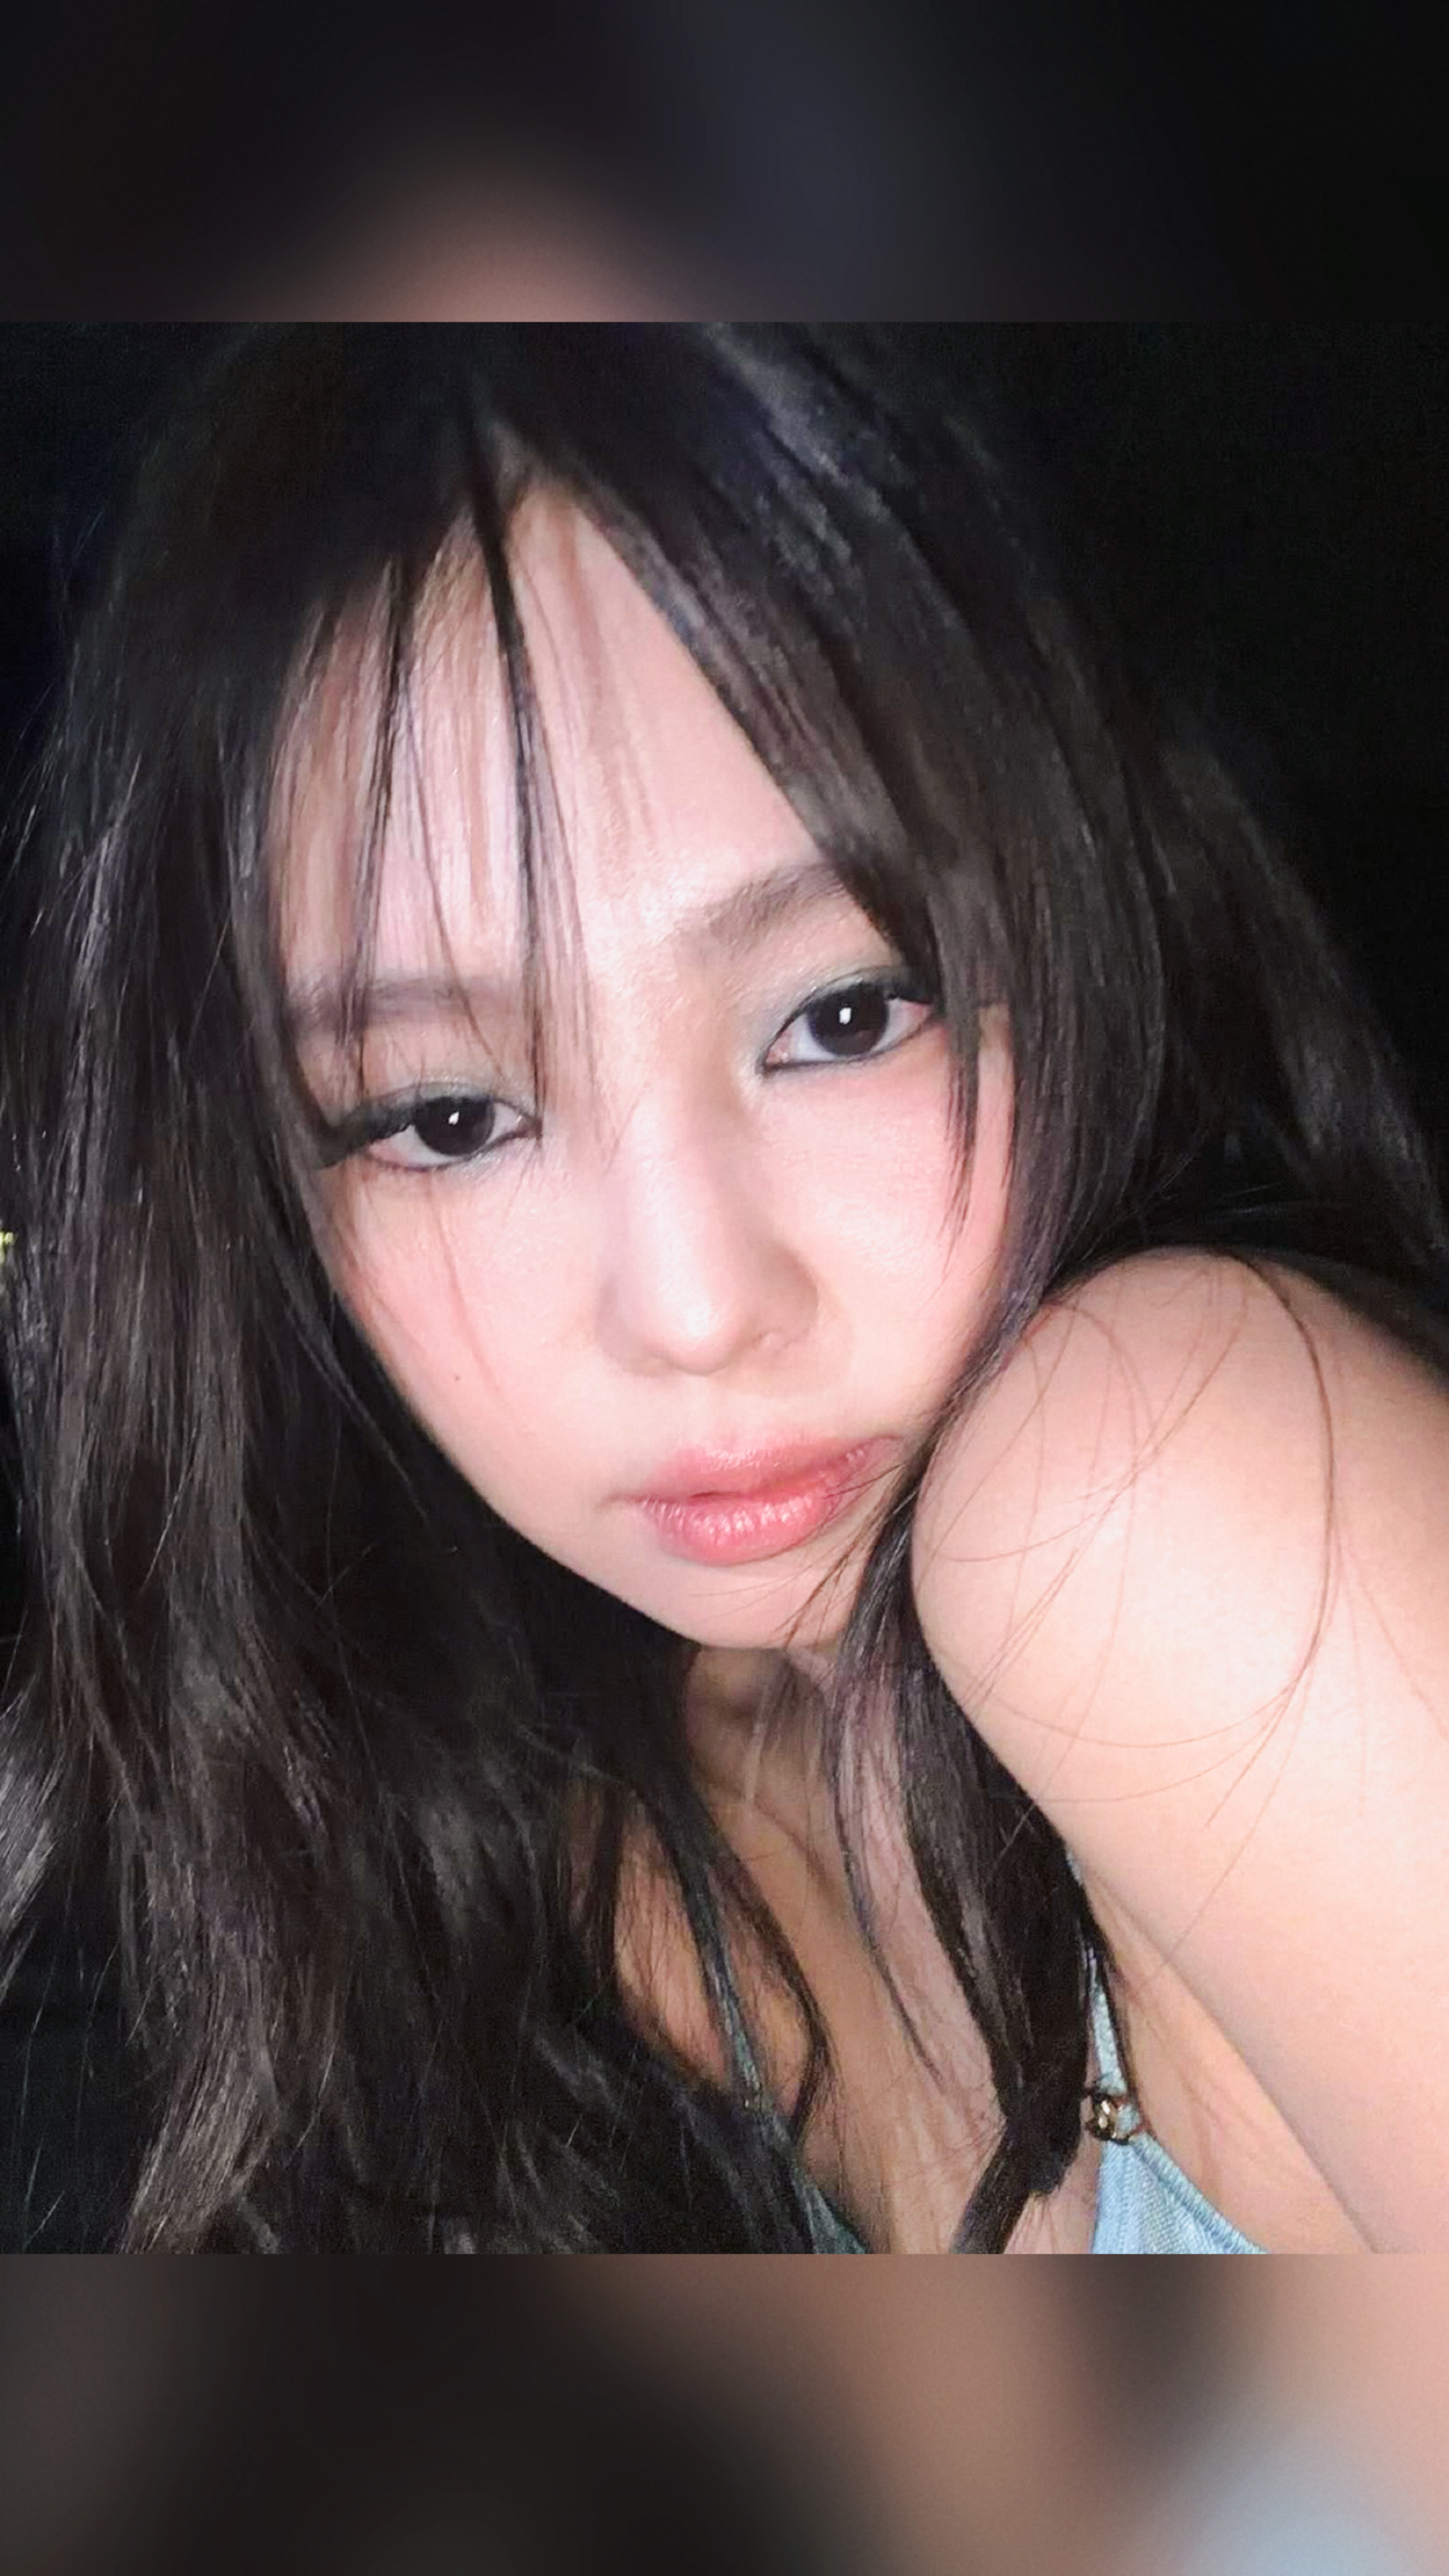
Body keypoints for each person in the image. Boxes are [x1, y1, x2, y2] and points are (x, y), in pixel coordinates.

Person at [3, 325, 1448, 2253]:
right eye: (448, 1117)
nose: (693, 1312)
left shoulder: (1170, 1492)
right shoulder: (621, 1845)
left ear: (1087, 924)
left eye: (844, 1015)